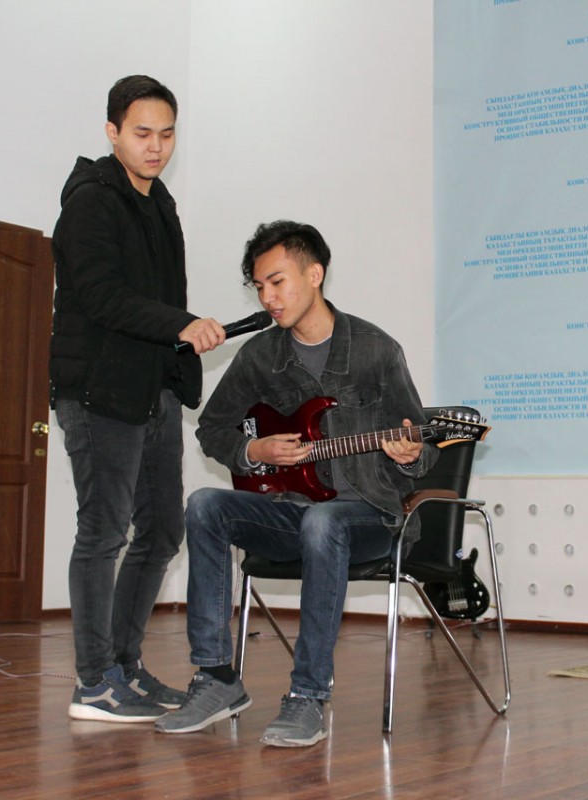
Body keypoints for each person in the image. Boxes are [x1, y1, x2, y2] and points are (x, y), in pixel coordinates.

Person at [156, 220, 438, 746]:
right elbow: (214, 428)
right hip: (292, 510)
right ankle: (216, 678)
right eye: (259, 286)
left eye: (277, 282)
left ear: (314, 274)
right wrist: (254, 451)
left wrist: (411, 453)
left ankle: (308, 695)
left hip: (371, 518)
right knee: (205, 505)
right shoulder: (261, 355)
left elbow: (422, 451)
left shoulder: (376, 350)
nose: (267, 297)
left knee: (325, 520)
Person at [50, 75, 227, 723]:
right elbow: (102, 297)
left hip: (153, 390)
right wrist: (181, 324)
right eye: (142, 133)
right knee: (104, 532)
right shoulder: (92, 202)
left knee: (162, 530)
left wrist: (180, 344)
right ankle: (94, 682)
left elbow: (159, 300)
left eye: (167, 134)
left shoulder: (161, 205)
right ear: (113, 132)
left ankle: (124, 666)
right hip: (99, 391)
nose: (156, 147)